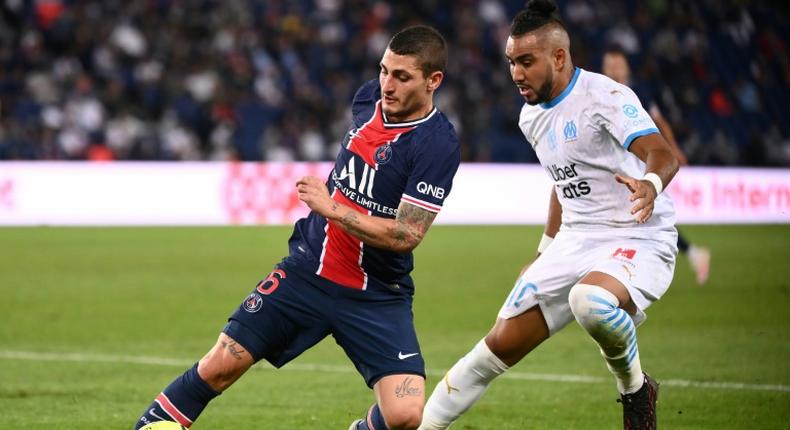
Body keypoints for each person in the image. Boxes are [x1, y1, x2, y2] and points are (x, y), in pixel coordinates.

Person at [133, 25, 460, 430]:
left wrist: (333, 207)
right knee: (219, 365)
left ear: (434, 81)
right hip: (308, 271)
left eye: (402, 76)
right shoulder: (368, 100)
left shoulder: (437, 145)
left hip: (375, 293)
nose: (386, 85)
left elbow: (406, 235)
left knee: (406, 416)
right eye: (383, 70)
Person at [418, 1, 678, 429]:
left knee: (589, 301)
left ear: (558, 56)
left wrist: (649, 185)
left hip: (636, 235)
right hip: (574, 242)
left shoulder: (605, 96)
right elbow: (562, 179)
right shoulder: (530, 117)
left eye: (526, 61)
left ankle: (635, 391)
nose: (516, 73)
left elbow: (661, 153)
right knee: (490, 351)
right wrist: (545, 249)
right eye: (511, 63)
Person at [602, 47, 711, 285]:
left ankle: (681, 256)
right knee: (644, 213)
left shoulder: (638, 92)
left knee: (648, 210)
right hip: (617, 165)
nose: (613, 70)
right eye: (609, 66)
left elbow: (659, 121)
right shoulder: (602, 92)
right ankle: (691, 254)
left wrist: (672, 150)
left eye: (617, 65)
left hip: (640, 164)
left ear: (626, 67)